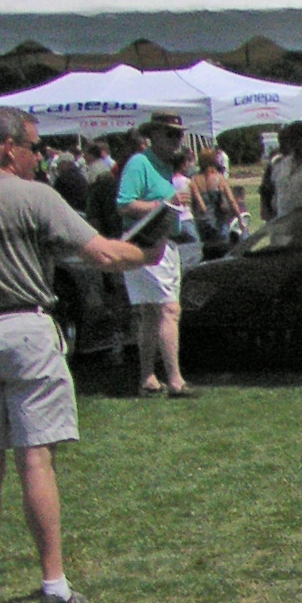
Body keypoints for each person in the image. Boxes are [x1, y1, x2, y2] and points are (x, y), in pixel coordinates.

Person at [0, 107, 159, 603]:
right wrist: (146, 255)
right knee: (35, 460)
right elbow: (102, 255)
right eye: (32, 145)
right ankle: (53, 585)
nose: (39, 155)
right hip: (26, 328)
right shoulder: (37, 197)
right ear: (6, 148)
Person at [116, 111, 195, 397]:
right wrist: (165, 203)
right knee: (169, 310)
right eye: (170, 134)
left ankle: (148, 377)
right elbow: (124, 204)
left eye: (179, 134)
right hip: (145, 244)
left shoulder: (163, 165)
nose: (177, 140)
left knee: (152, 313)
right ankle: (175, 380)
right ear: (154, 136)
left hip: (163, 243)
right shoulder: (140, 162)